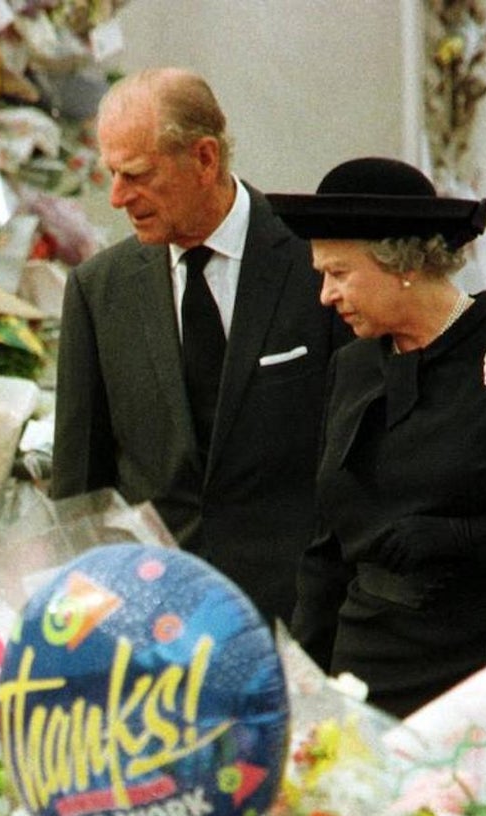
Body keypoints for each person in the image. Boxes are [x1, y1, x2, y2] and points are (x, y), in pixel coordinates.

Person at [268, 156, 486, 812]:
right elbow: (327, 545)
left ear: (402, 262)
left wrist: (462, 537)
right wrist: (302, 687)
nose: (325, 295)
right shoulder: (351, 368)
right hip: (369, 674)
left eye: (338, 274)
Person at [51, 67, 350, 625]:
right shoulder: (99, 291)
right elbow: (80, 495)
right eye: (112, 174)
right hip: (154, 626)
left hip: (301, 622)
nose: (118, 198)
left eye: (136, 175)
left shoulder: (316, 267)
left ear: (205, 158)